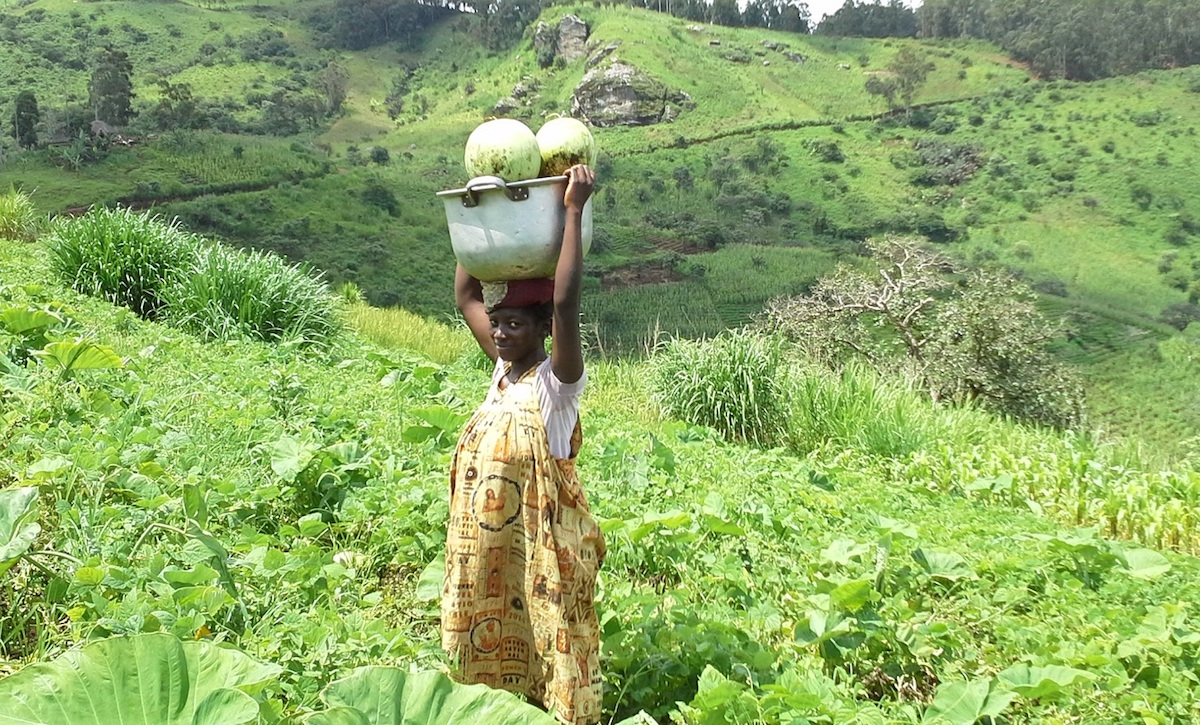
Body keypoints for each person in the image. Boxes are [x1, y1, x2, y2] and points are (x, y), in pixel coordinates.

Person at [442, 164, 605, 725]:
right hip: (490, 542)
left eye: (514, 324)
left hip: (539, 542)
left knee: (548, 623)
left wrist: (572, 209)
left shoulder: (557, 385)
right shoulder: (501, 373)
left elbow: (565, 304)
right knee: (493, 625)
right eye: (498, 324)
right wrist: (484, 217)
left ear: (541, 328)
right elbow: (466, 292)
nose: (501, 333)